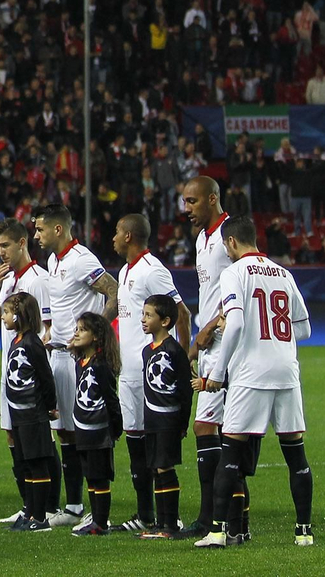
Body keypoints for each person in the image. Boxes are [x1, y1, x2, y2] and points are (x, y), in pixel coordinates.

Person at [196, 216, 315, 549]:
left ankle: (218, 531)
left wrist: (217, 374)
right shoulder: (284, 273)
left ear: (231, 243)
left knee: (231, 452)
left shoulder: (233, 273)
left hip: (251, 374)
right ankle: (303, 531)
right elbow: (304, 329)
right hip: (286, 372)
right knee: (296, 454)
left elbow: (234, 325)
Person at [33, 203, 118, 526]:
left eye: (40, 229)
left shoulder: (83, 261)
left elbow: (114, 291)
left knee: (85, 434)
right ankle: (74, 507)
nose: (36, 235)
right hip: (58, 354)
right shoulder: (54, 260)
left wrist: (96, 335)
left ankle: (92, 510)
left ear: (58, 229)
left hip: (79, 361)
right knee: (66, 434)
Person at [114, 213, 189, 532]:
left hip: (150, 375)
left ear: (129, 236)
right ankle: (144, 515)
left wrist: (184, 358)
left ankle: (167, 518)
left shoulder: (152, 270)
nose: (113, 237)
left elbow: (180, 312)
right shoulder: (124, 271)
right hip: (127, 372)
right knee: (134, 443)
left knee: (156, 448)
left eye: (117, 232)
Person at [182, 176, 237, 538]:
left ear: (212, 199)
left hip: (224, 343)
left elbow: (241, 290)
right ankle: (229, 518)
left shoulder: (229, 236)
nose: (186, 210)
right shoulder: (202, 239)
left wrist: (212, 325)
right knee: (221, 430)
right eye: (185, 202)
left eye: (192, 202)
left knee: (209, 426)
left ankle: (212, 518)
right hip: (208, 343)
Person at [0, 217, 51, 525]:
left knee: (37, 441)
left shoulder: (38, 279)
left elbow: (47, 327)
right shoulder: (6, 280)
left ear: (22, 243)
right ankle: (28, 505)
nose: (1, 252)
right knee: (13, 436)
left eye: (6, 245)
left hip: (28, 374)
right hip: (8, 368)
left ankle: (46, 506)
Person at [0, 292, 55, 532]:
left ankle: (41, 518)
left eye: (6, 313)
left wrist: (49, 406)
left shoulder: (32, 343)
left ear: (19, 315)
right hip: (19, 413)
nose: (3, 318)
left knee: (37, 464)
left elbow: (45, 377)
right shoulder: (16, 341)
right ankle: (31, 512)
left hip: (33, 413)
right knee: (25, 464)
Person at [140, 294, 193, 538]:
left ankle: (170, 523)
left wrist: (182, 423)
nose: (143, 319)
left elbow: (184, 390)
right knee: (154, 467)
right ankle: (160, 522)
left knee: (164, 467)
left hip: (168, 420)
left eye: (149, 315)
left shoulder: (175, 351)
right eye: (143, 314)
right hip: (151, 419)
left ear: (165, 321)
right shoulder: (146, 351)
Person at [67, 313, 122, 536]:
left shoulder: (101, 366)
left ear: (97, 337)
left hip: (99, 432)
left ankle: (101, 522)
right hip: (83, 431)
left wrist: (115, 429)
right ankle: (96, 520)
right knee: (90, 475)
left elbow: (111, 400)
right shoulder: (81, 362)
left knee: (100, 477)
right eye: (76, 328)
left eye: (82, 329)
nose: (76, 333)